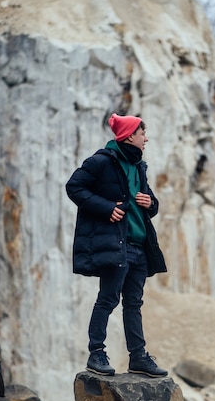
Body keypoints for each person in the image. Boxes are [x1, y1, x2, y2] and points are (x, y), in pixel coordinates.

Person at [66, 114, 168, 378]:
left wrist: (151, 203)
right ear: (130, 135)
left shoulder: (139, 166)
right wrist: (106, 208)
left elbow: (150, 205)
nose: (146, 138)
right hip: (117, 244)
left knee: (133, 303)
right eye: (143, 133)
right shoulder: (101, 161)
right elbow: (74, 187)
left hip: (139, 245)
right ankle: (96, 353)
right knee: (108, 299)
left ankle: (138, 357)